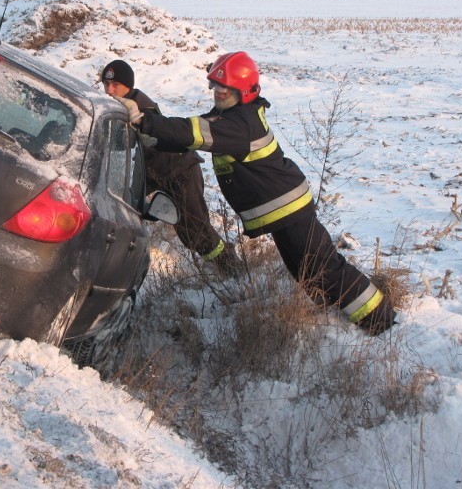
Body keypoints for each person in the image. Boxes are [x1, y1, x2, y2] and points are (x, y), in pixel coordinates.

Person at [114, 52, 396, 335]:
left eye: (226, 88)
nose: (218, 93)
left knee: (326, 266)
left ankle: (382, 322)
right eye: (215, 87)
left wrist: (145, 121)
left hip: (290, 209)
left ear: (245, 90)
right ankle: (338, 313)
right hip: (282, 211)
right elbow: (186, 130)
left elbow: (193, 132)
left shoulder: (240, 124)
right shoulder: (230, 116)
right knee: (305, 269)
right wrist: (152, 130)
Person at [100, 59, 241, 276]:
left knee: (195, 231)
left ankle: (231, 268)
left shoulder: (141, 107)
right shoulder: (119, 104)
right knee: (122, 208)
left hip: (180, 171)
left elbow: (148, 135)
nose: (110, 91)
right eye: (106, 85)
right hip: (152, 174)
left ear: (128, 85)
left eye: (115, 85)